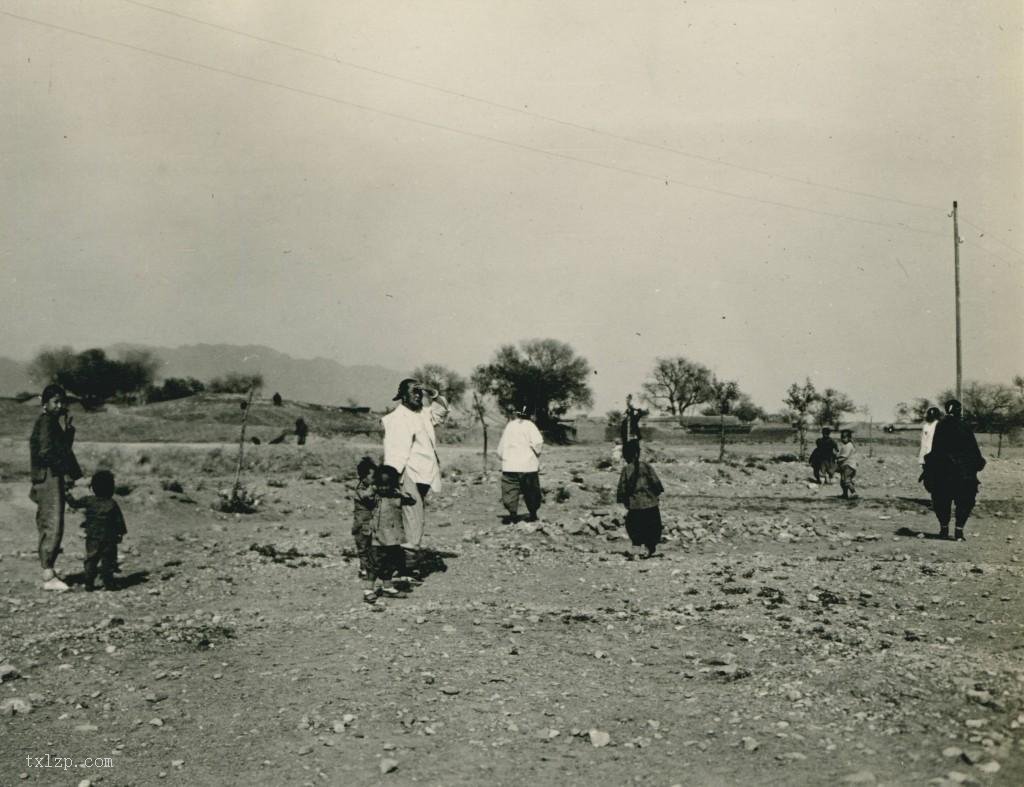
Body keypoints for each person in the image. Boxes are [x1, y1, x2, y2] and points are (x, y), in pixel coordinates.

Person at [29, 384, 83, 592]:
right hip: (49, 477)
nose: (60, 406)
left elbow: (57, 449)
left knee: (52, 521)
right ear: (45, 404)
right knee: (52, 522)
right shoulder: (46, 423)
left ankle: (48, 571)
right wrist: (65, 471)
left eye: (62, 402)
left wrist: (67, 433)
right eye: (55, 402)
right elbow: (46, 452)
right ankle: (48, 574)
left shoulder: (52, 423)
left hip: (51, 476)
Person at [381, 378, 442, 549]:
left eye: (419, 391)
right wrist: (393, 478)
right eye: (413, 391)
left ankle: (403, 558)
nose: (418, 395)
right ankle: (409, 564)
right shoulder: (397, 418)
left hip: (425, 474)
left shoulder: (423, 413)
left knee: (411, 516)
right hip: (408, 473)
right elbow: (396, 452)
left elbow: (442, 410)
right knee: (413, 517)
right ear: (403, 396)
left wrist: (433, 393)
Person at [923, 399, 985, 541]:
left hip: (943, 472)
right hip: (963, 473)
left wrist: (930, 466)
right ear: (959, 410)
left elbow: (935, 450)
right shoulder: (965, 426)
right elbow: (973, 450)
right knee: (965, 501)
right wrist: (978, 463)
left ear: (946, 410)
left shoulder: (940, 426)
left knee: (941, 500)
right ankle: (959, 531)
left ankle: (944, 529)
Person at [67, 470, 127, 591]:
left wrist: (67, 494)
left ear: (93, 488)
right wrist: (120, 533)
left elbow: (74, 504)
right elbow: (119, 521)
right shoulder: (112, 503)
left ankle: (89, 583)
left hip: (93, 537)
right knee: (108, 561)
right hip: (109, 538)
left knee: (91, 559)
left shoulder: (89, 500)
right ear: (111, 488)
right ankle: (109, 583)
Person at [362, 465, 414, 604]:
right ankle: (368, 589)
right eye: (380, 485)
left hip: (393, 537)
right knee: (374, 564)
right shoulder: (375, 498)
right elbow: (365, 498)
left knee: (390, 563)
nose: (384, 488)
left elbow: (412, 501)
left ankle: (387, 587)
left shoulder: (396, 496)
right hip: (377, 538)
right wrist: (372, 488)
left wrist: (401, 492)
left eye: (387, 485)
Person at [616, 441, 664, 559]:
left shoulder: (626, 470)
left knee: (634, 527)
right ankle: (649, 548)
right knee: (653, 527)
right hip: (650, 503)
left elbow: (622, 487)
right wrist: (656, 494)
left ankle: (636, 549)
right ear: (637, 454)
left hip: (635, 505)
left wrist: (623, 500)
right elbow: (656, 483)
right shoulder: (646, 466)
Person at [496, 406, 544, 523]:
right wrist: (537, 454)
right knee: (531, 491)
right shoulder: (530, 426)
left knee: (510, 491)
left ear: (516, 414)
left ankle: (513, 515)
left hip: (510, 466)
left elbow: (501, 447)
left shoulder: (510, 426)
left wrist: (504, 458)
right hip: (528, 466)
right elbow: (538, 443)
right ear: (530, 415)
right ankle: (533, 514)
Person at [351, 456, 377, 580]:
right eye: (372, 477)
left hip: (370, 522)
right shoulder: (361, 489)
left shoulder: (369, 488)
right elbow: (366, 496)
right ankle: (363, 569)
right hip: (361, 524)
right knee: (363, 547)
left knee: (371, 547)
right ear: (364, 477)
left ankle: (369, 568)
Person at [836, 429, 858, 499]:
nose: (842, 439)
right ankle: (845, 494)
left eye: (844, 437)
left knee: (846, 480)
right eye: (842, 437)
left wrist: (837, 460)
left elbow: (844, 457)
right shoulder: (845, 445)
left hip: (849, 466)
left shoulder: (848, 446)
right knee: (842, 481)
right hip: (845, 466)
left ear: (848, 438)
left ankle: (854, 492)